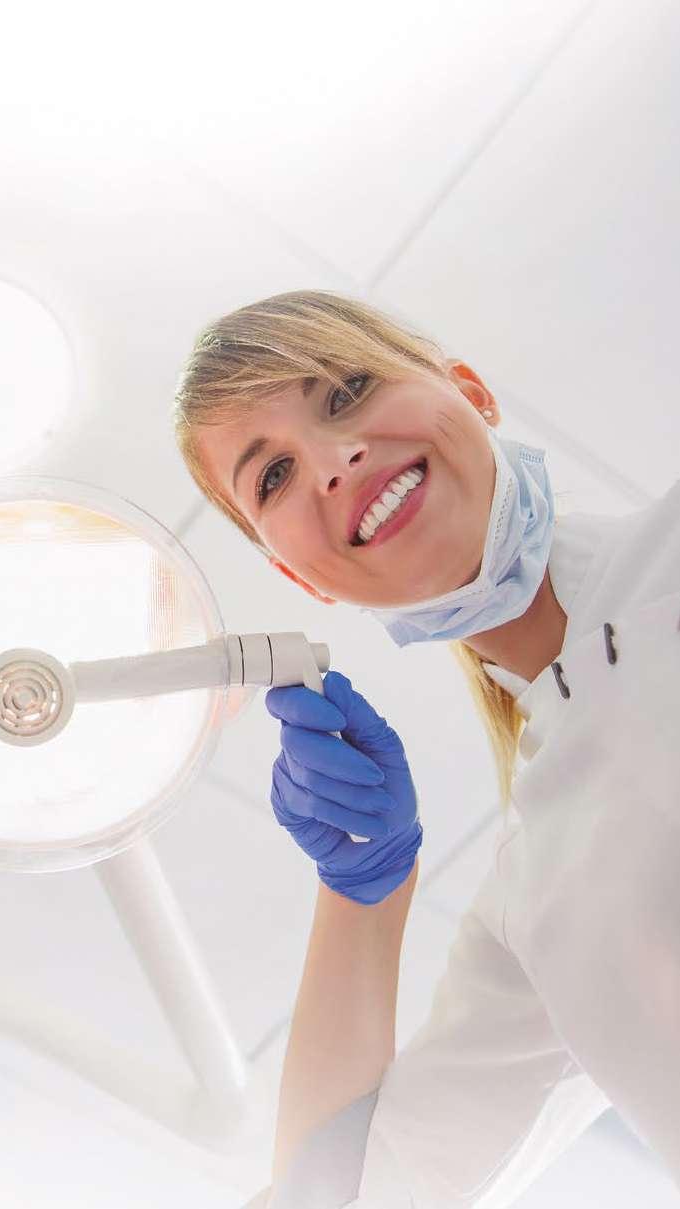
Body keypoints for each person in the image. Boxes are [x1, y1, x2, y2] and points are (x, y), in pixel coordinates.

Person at [171, 291, 679, 1207]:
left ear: (470, 391)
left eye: (346, 391)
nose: (333, 461)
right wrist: (361, 889)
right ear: (297, 577)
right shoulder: (535, 905)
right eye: (273, 475)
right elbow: (342, 1197)